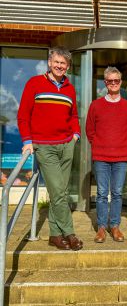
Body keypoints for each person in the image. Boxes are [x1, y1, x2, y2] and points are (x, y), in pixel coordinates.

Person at [17, 46, 83, 251]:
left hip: (66, 144)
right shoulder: (34, 83)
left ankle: (54, 235)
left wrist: (75, 135)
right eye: (57, 62)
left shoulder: (70, 88)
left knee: (60, 191)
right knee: (58, 191)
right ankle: (69, 233)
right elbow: (23, 115)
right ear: (49, 62)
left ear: (68, 66)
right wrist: (27, 141)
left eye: (63, 63)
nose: (60, 66)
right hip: (44, 147)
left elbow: (73, 115)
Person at [86, 66, 127, 243]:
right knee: (101, 193)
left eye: (116, 80)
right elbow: (89, 130)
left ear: (120, 82)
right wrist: (100, 144)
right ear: (105, 83)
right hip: (101, 157)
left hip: (121, 157)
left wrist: (118, 145)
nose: (113, 84)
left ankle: (114, 226)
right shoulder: (96, 105)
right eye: (110, 81)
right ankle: (101, 227)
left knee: (117, 193)